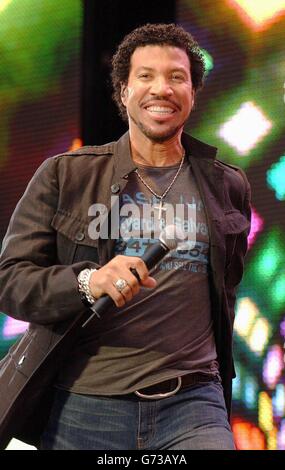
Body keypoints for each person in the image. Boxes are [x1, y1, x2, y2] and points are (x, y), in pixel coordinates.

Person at [0, 23, 251, 450]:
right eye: (145, 76)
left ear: (193, 93)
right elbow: (10, 282)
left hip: (194, 404)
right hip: (84, 406)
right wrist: (86, 282)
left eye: (177, 77)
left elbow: (226, 288)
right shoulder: (66, 175)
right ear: (123, 91)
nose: (162, 89)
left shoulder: (228, 185)